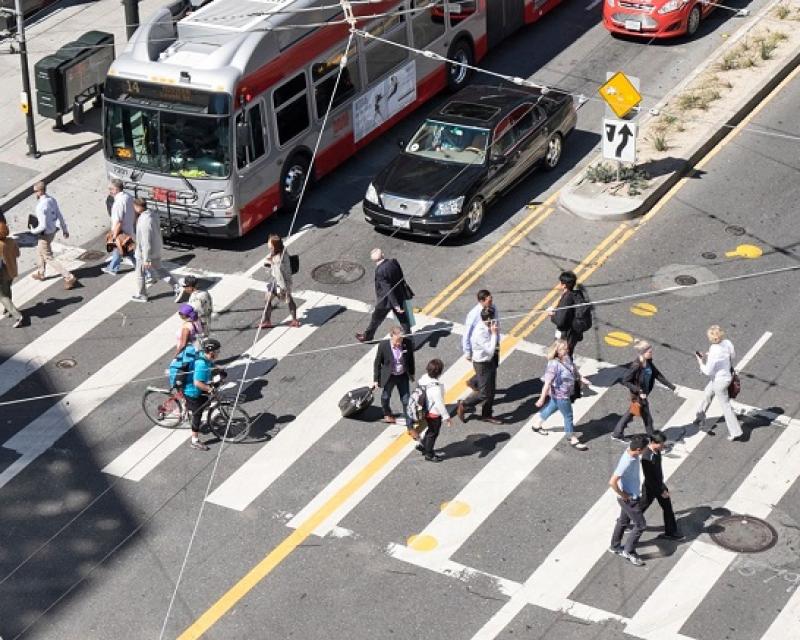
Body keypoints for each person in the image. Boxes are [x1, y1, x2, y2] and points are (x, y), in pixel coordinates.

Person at [612, 340, 676, 442]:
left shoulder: (648, 362)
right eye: (649, 352)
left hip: (644, 394)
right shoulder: (636, 366)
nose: (652, 353)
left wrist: (672, 387)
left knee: (631, 412)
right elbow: (625, 380)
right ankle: (654, 440)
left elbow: (657, 375)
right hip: (638, 396)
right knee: (648, 420)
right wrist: (639, 391)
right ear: (642, 353)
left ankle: (617, 433)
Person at [530, 339, 588, 450]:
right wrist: (542, 399)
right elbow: (547, 383)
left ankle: (537, 425)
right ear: (557, 351)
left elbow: (573, 369)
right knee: (568, 416)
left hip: (563, 392)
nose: (566, 350)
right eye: (563, 349)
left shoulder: (566, 358)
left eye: (566, 348)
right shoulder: (553, 365)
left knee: (552, 407)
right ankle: (571, 437)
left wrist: (581, 378)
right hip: (561, 394)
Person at [695, 325, 743, 441]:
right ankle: (699, 417)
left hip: (719, 381)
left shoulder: (714, 349)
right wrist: (712, 356)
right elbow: (732, 356)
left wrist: (700, 361)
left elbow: (707, 371)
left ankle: (735, 431)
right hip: (725, 377)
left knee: (726, 407)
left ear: (712, 338)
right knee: (707, 393)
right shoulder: (727, 343)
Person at [608, 434, 650, 566]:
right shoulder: (627, 461)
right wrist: (624, 495)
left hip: (628, 497)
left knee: (623, 521)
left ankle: (614, 546)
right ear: (638, 450)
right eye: (644, 449)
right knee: (641, 525)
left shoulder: (632, 451)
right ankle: (629, 551)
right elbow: (612, 482)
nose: (645, 451)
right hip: (629, 499)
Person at [28, 181, 77, 290]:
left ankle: (68, 277)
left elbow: (42, 226)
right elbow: (59, 214)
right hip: (53, 230)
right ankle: (41, 272)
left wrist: (32, 231)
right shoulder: (52, 200)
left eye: (35, 191)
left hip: (45, 234)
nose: (34, 193)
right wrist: (65, 229)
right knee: (40, 251)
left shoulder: (40, 206)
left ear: (40, 191)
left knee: (48, 257)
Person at [356, 249, 412, 342]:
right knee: (403, 320)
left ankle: (367, 337)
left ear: (373, 260)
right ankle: (410, 341)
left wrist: (395, 305)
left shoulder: (380, 271)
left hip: (386, 301)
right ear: (383, 254)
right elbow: (401, 277)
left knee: (376, 319)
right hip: (398, 295)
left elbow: (387, 289)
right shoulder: (394, 262)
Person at [131, 198, 181, 303]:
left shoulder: (144, 222)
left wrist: (146, 258)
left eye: (134, 207)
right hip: (156, 249)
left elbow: (146, 242)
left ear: (138, 207)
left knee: (139, 274)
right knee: (160, 270)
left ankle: (142, 294)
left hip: (145, 253)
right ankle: (177, 286)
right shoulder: (153, 214)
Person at [457, 307, 501, 424]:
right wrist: (494, 334)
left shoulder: (489, 326)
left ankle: (487, 414)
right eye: (492, 320)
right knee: (484, 394)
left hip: (489, 361)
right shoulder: (480, 332)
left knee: (491, 391)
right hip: (482, 364)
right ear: (486, 320)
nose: (494, 322)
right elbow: (490, 350)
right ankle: (464, 404)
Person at [641, 430, 684, 541]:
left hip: (659, 484)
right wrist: (661, 491)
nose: (663, 446)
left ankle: (670, 532)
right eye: (661, 444)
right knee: (642, 506)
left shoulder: (657, 451)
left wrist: (662, 487)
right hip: (651, 487)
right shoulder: (646, 457)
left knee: (667, 508)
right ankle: (625, 521)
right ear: (653, 442)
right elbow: (650, 479)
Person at [183, 337, 223, 451]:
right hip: (192, 391)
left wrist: (219, 369)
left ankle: (187, 407)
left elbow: (210, 366)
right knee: (198, 414)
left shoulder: (204, 357)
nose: (218, 353)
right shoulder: (201, 364)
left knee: (205, 401)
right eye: (217, 351)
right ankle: (194, 440)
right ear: (211, 352)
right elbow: (197, 383)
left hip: (196, 389)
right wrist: (209, 389)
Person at [372, 326, 415, 425]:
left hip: (403, 376)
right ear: (391, 336)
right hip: (390, 376)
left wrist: (411, 374)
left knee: (406, 400)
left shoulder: (407, 343)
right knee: (385, 397)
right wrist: (376, 380)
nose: (399, 343)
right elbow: (377, 363)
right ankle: (387, 413)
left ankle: (409, 423)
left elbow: (411, 359)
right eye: (397, 341)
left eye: (401, 340)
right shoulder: (383, 345)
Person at [415, 358, 452, 462]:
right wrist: (446, 417)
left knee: (430, 429)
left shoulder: (423, 378)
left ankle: (423, 445)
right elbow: (440, 404)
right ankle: (429, 454)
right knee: (433, 432)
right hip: (433, 413)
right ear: (439, 372)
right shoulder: (436, 387)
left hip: (423, 409)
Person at [463, 289, 500, 394]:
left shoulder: (493, 308)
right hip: (482, 345)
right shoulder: (474, 314)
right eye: (489, 300)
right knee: (484, 368)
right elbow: (467, 334)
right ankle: (480, 387)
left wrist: (497, 337)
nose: (491, 302)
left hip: (493, 340)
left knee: (495, 363)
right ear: (481, 301)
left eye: (491, 299)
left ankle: (474, 382)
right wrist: (467, 351)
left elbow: (496, 322)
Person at [259, 234, 299, 329]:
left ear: (273, 245)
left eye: (269, 242)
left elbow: (279, 275)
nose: (268, 243)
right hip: (280, 282)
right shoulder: (282, 250)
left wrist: (284, 290)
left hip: (281, 284)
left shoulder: (278, 260)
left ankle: (268, 321)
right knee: (269, 299)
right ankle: (293, 320)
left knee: (286, 300)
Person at [548, 271, 588, 356]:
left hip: (566, 334)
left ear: (564, 285)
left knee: (561, 355)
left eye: (560, 282)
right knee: (568, 353)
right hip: (574, 333)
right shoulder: (577, 294)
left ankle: (567, 369)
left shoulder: (567, 299)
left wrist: (552, 314)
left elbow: (560, 321)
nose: (559, 284)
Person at [102, 179, 136, 275]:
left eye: (110, 189)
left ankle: (147, 273)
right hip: (128, 229)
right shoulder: (128, 196)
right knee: (122, 250)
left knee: (127, 252)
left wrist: (114, 236)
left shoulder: (118, 203)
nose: (109, 191)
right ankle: (113, 268)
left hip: (121, 232)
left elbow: (118, 222)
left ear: (116, 189)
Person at [0, 221, 25, 327]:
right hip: (12, 271)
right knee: (7, 289)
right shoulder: (11, 241)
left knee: (2, 296)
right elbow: (18, 254)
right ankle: (8, 308)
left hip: (2, 273)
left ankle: (17, 316)